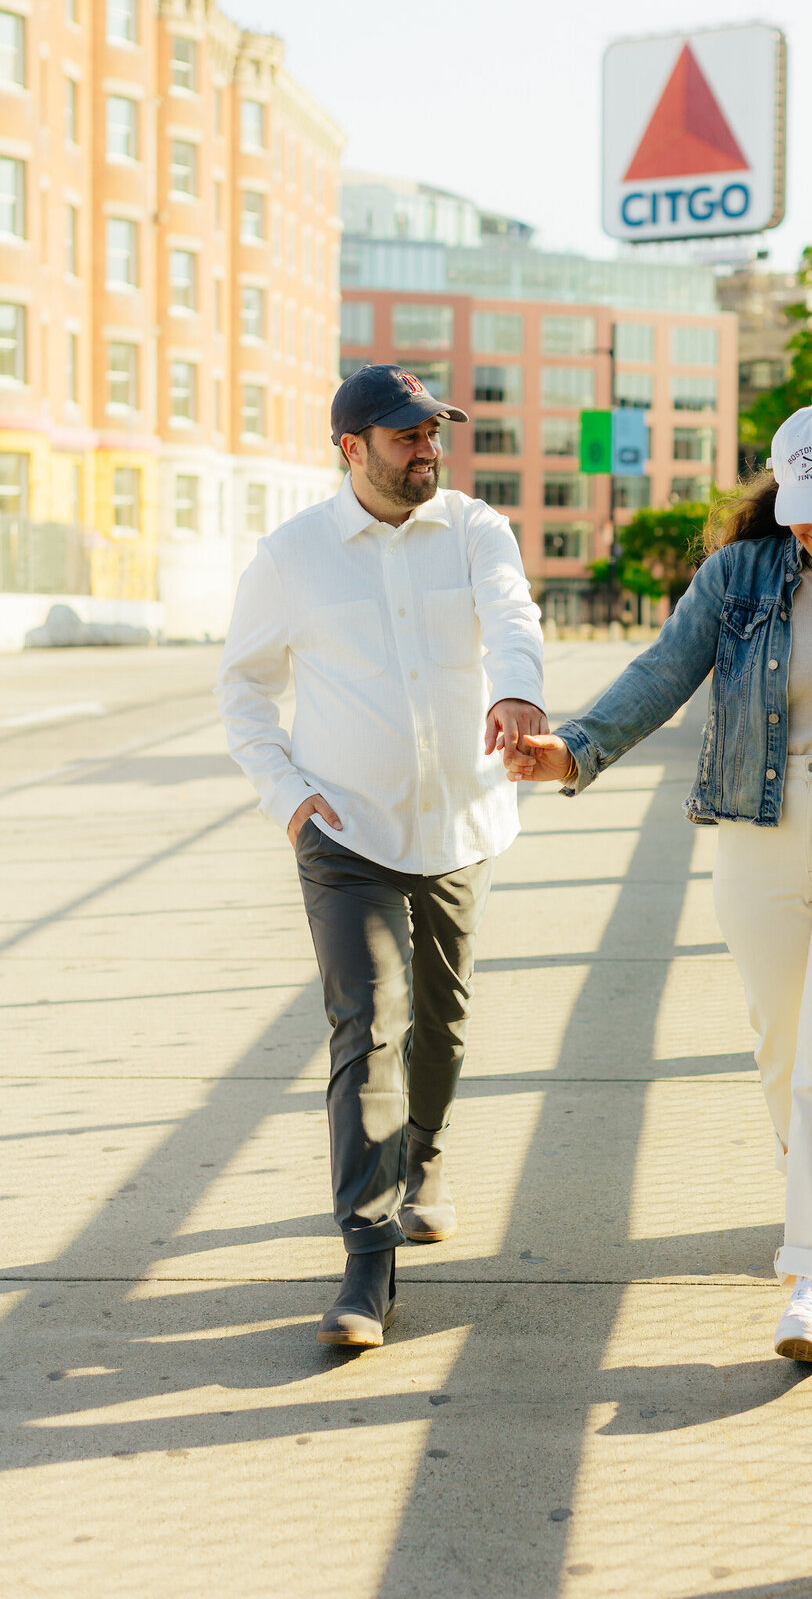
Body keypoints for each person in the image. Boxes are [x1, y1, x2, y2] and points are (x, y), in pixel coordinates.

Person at [505, 402, 812, 1368]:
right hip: (760, 829)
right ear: (778, 492)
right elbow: (664, 673)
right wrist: (574, 750)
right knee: (785, 1054)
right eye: (806, 508)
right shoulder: (738, 575)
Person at [217, 365, 545, 1349]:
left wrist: (519, 692)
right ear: (350, 448)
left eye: (432, 433)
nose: (427, 451)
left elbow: (513, 616)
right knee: (368, 1023)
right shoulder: (292, 558)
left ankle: (427, 1158)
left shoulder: (477, 530)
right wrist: (287, 797)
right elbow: (242, 691)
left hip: (457, 823)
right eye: (405, 437)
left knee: (442, 1018)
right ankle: (367, 1264)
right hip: (345, 832)